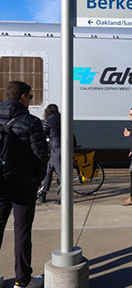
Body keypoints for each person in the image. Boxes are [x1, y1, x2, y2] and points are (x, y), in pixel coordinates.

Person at [0, 81, 47, 288]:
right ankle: (23, 280)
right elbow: (40, 156)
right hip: (23, 186)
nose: (30, 100)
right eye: (30, 96)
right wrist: (37, 180)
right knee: (22, 232)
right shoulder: (31, 121)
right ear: (22, 97)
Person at [37, 104, 61, 203]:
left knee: (61, 174)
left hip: (56, 148)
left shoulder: (48, 120)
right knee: (49, 169)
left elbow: (42, 133)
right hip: (63, 146)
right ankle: (43, 193)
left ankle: (66, 198)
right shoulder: (62, 118)